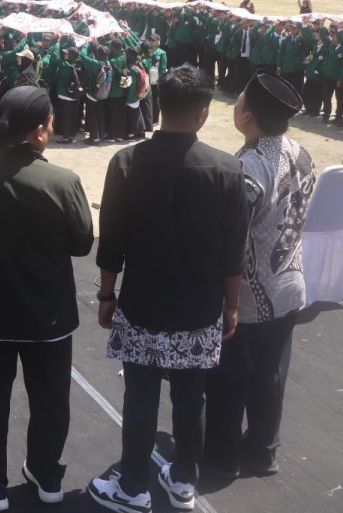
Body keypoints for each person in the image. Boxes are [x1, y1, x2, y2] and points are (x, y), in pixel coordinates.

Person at [89, 67, 247, 513]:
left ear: (158, 105)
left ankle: (133, 486)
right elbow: (233, 252)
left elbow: (111, 240)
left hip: (141, 306)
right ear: (203, 113)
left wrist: (106, 296)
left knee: (139, 399)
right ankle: (183, 483)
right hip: (199, 310)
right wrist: (231, 307)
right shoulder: (227, 169)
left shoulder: (125, 162)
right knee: (189, 398)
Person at [0, 86, 94, 511]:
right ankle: (47, 474)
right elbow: (83, 243)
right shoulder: (63, 181)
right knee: (51, 400)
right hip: (49, 317)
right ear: (41, 130)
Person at [203, 71, 316, 479]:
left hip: (250, 296)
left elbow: (231, 238)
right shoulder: (302, 152)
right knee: (271, 375)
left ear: (248, 115)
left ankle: (221, 454)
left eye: (239, 100)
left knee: (230, 379)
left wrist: (224, 298)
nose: (234, 105)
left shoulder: (248, 166)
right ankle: (264, 450)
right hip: (289, 285)